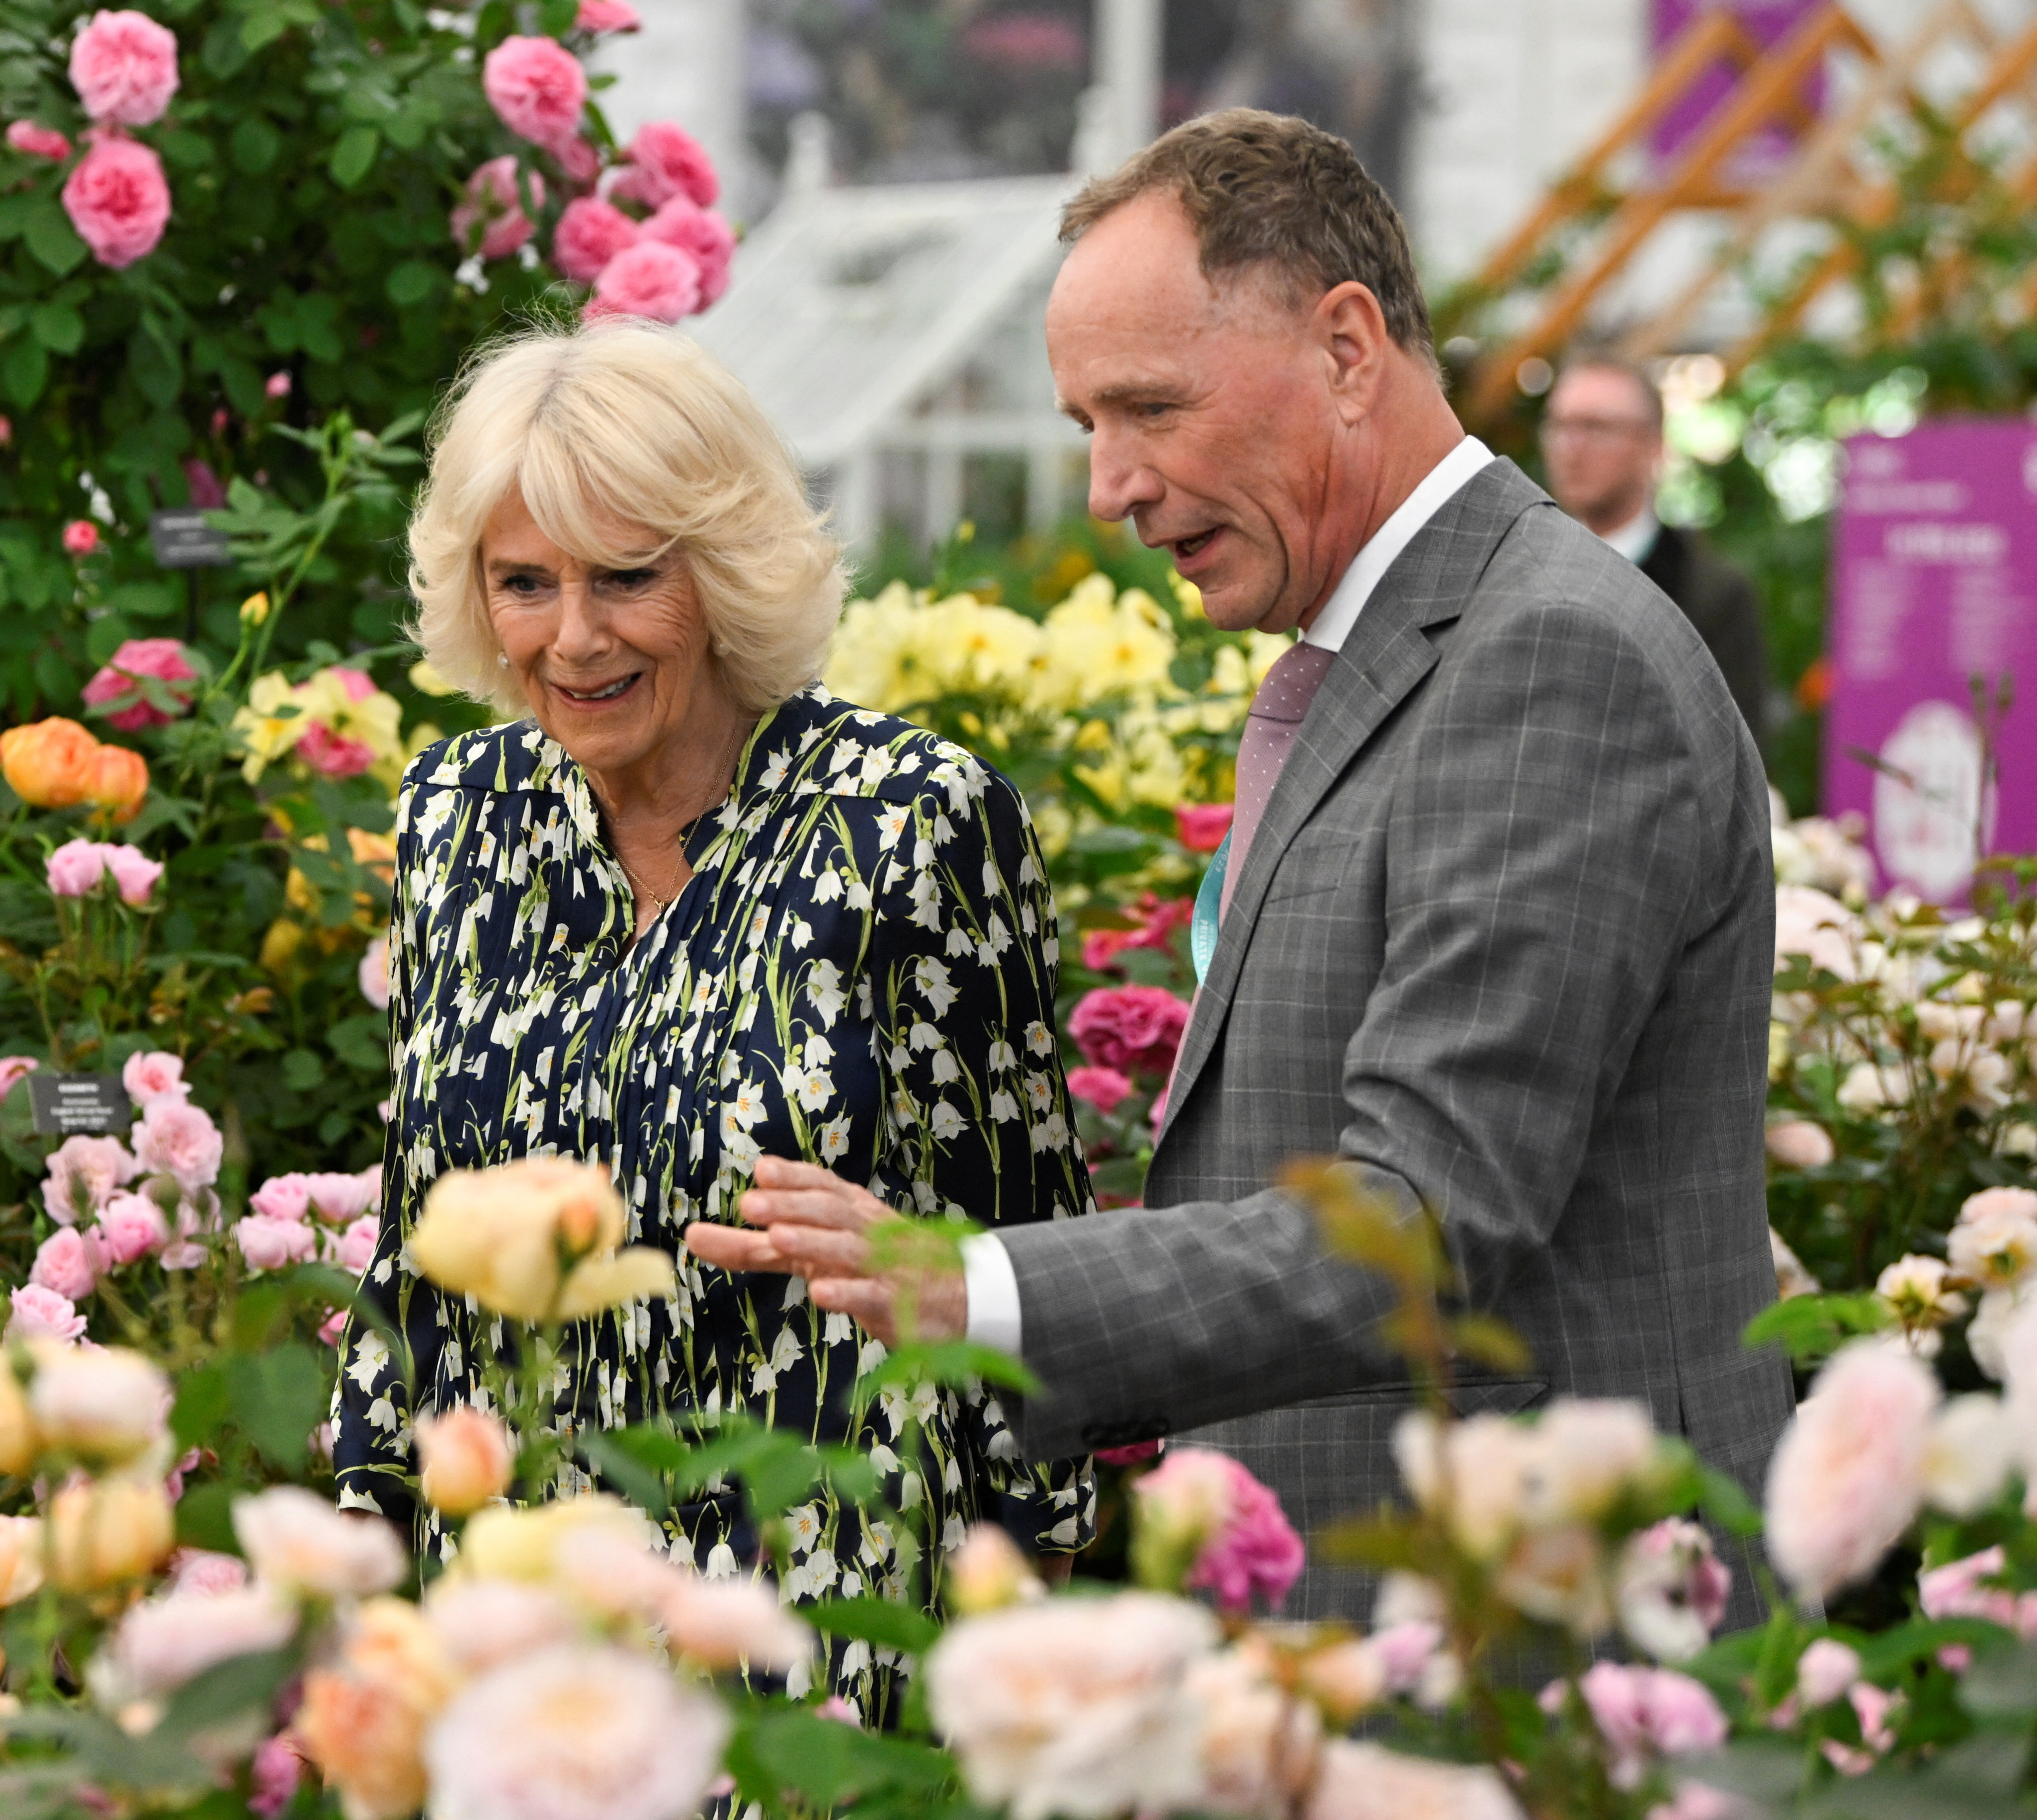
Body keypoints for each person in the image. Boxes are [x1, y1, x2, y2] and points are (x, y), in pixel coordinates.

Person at [688, 109, 1794, 1619]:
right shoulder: (1410, 645)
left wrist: (974, 1286)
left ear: (1348, 348)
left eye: (1149, 408)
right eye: (1087, 424)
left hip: (1532, 1657)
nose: (1108, 487)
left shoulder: (1548, 660)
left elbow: (1423, 1215)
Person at [331, 321, 1094, 1703]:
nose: (573, 636)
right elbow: (416, 1243)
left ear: (723, 567)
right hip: (517, 1629)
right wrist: (362, 1563)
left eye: (628, 576)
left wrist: (1023, 1621)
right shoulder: (456, 814)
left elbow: (1028, 1244)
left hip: (814, 1626)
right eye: (523, 582)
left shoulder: (910, 820)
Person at [1541, 356, 1771, 750]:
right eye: (1560, 426)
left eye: (1596, 428)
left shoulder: (1711, 593)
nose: (1571, 448)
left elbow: (1736, 751)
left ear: (1654, 446)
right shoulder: (1524, 569)